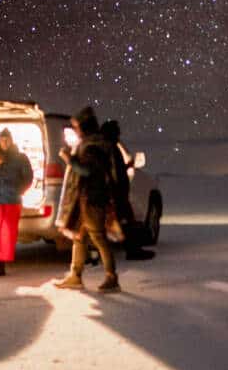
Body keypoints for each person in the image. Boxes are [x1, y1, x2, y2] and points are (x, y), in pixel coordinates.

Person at [54, 106, 121, 293]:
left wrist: (70, 159)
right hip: (86, 199)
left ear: (84, 126)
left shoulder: (94, 146)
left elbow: (87, 171)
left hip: (92, 199)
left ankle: (111, 277)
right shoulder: (92, 143)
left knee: (98, 237)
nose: (75, 130)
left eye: (77, 127)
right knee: (79, 236)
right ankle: (75, 275)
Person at [0, 127, 33, 277]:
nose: (5, 142)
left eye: (7, 139)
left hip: (11, 200)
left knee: (7, 234)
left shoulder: (20, 157)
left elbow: (28, 177)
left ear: (11, 140)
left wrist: (20, 190)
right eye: (2, 139)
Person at [100, 119, 155, 261]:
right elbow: (114, 173)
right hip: (118, 194)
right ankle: (133, 251)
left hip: (115, 193)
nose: (119, 133)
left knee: (122, 223)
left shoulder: (107, 147)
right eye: (116, 130)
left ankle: (131, 249)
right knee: (127, 222)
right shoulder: (111, 148)